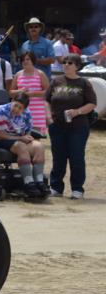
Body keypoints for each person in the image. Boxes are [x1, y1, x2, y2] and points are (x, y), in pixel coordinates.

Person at [45, 54, 97, 199]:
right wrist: (49, 117)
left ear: (77, 66)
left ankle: (77, 189)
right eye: (64, 62)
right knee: (58, 158)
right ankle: (56, 187)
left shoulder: (84, 83)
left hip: (78, 127)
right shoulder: (56, 81)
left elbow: (92, 103)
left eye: (70, 63)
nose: (66, 64)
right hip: (57, 126)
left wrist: (77, 112)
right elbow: (46, 100)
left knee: (76, 157)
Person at [0, 92, 47, 197]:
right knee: (21, 146)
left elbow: (27, 132)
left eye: (20, 108)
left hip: (19, 139)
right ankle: (28, 183)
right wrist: (21, 138)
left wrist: (28, 138)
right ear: (12, 101)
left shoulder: (27, 113)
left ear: (24, 109)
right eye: (15, 105)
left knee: (39, 146)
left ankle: (39, 182)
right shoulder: (1, 111)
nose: (16, 109)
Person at [11, 51, 49, 133]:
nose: (25, 61)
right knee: (21, 136)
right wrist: (20, 91)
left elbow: (48, 92)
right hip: (21, 110)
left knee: (36, 137)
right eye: (23, 60)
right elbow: (11, 92)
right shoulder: (18, 74)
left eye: (27, 59)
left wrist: (31, 94)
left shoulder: (40, 74)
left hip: (37, 110)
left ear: (33, 60)